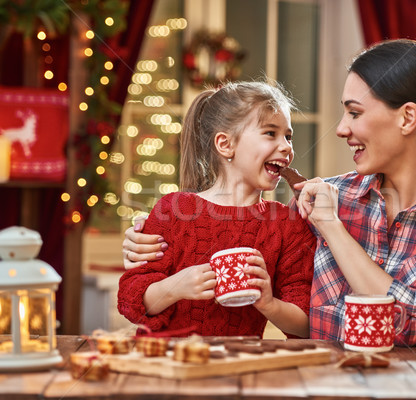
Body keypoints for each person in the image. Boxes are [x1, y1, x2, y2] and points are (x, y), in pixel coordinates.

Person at [122, 39, 416, 346]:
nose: (340, 129)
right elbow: (214, 228)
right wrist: (148, 233)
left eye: (354, 113)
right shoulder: (317, 198)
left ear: (407, 117)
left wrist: (333, 228)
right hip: (321, 384)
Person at [117, 81, 316, 338]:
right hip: (166, 364)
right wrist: (176, 286)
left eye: (288, 136)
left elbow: (306, 324)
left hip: (238, 369)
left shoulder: (287, 224)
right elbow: (130, 302)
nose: (287, 147)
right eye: (270, 133)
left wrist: (270, 304)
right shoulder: (173, 211)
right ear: (225, 144)